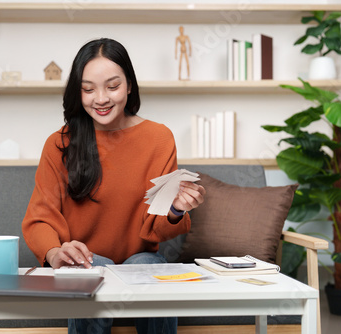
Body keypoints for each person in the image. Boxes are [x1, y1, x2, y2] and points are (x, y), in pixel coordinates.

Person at [22, 38, 206, 334]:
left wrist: (175, 208)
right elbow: (40, 216)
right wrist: (54, 253)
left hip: (141, 258)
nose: (101, 98)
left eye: (112, 86)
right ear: (77, 92)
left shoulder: (159, 138)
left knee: (148, 262)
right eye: (88, 89)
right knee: (92, 266)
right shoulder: (59, 144)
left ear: (130, 86)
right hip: (86, 259)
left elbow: (156, 225)